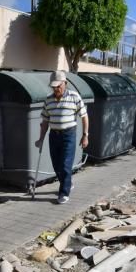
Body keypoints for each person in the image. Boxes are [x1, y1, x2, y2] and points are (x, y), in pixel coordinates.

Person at [35, 70, 89, 204]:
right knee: (57, 165)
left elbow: (84, 117)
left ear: (65, 83)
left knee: (65, 165)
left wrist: (85, 135)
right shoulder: (48, 100)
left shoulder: (74, 96)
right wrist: (41, 138)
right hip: (53, 135)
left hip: (68, 135)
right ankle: (68, 183)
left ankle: (64, 193)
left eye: (58, 86)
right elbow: (45, 121)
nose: (56, 89)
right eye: (53, 86)